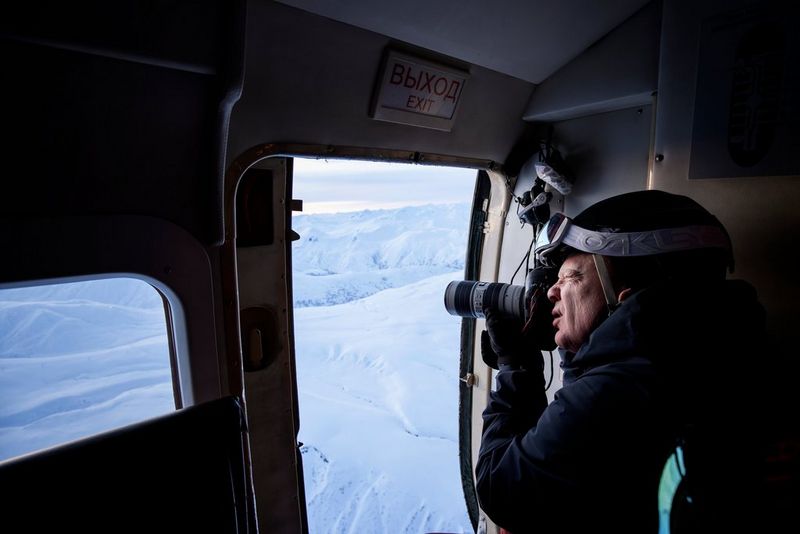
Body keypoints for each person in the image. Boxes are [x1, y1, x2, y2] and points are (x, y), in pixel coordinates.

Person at [475, 190, 767, 533]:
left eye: (570, 277)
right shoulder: (706, 352)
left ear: (625, 289)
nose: (552, 292)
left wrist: (516, 369)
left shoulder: (618, 390)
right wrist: (578, 350)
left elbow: (501, 490)